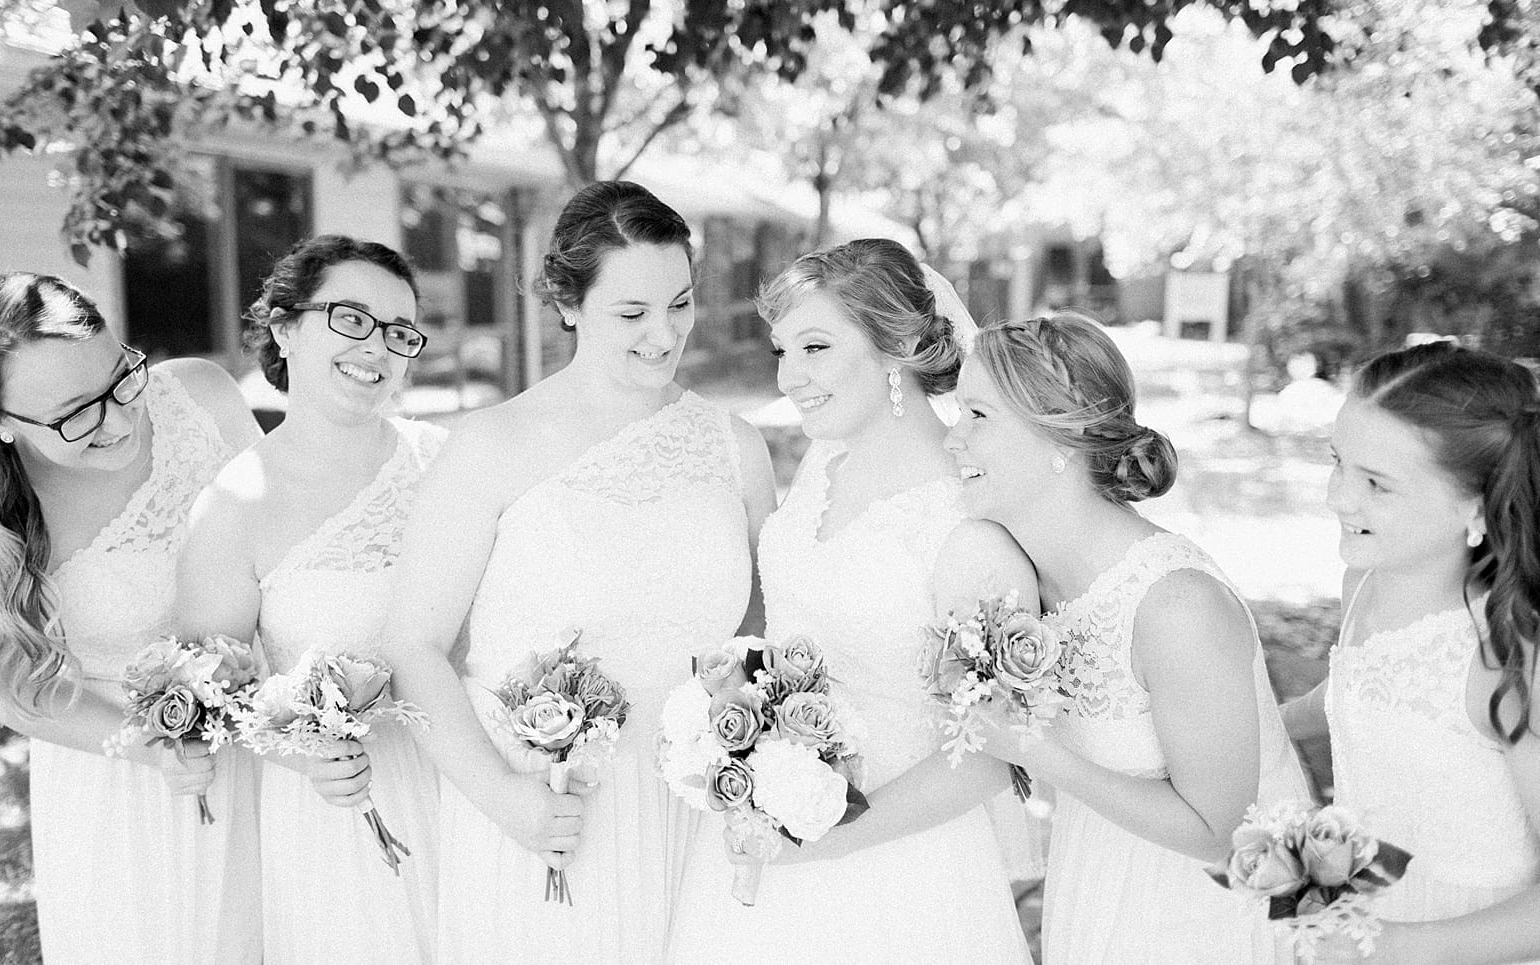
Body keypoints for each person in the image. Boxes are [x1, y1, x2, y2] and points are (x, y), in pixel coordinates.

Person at [383, 180, 776, 963]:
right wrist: (504, 799)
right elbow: (413, 646)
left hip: (701, 815)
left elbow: (761, 631)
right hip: (549, 814)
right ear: (567, 301)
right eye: (630, 313)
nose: (663, 335)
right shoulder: (490, 445)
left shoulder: (736, 446)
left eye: (680, 303)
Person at [667, 238, 1035, 964]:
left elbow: (999, 755)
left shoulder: (966, 516)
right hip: (764, 846)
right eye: (781, 350)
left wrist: (822, 840)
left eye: (814, 347)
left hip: (901, 872)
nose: (788, 376)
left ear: (894, 345)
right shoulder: (824, 462)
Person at [947, 313, 1307, 964]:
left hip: (1208, 920)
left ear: (1062, 436)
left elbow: (1216, 829)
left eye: (977, 414)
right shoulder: (1026, 585)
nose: (953, 440)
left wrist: (1035, 751)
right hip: (1099, 888)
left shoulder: (1175, 605)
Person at [174, 236, 445, 963]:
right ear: (286, 326)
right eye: (352, 318)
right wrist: (298, 748)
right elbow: (205, 686)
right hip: (339, 812)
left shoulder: (447, 463)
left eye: (398, 331)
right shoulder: (236, 502)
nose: (378, 348)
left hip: (467, 787)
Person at [0, 271, 262, 964]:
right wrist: (149, 745)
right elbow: (14, 688)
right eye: (74, 413)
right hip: (115, 774)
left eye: (122, 378)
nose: (118, 420)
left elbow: (290, 544)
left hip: (269, 749)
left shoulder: (200, 396)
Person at [1282, 341, 1540, 964]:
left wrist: (1394, 948)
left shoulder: (1506, 657)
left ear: (1475, 507)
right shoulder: (1366, 583)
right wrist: (1264, 727)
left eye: (1377, 484)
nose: (1338, 499)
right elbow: (1361, 696)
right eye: (1338, 462)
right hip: (1361, 915)